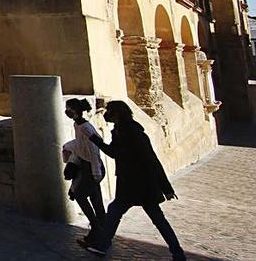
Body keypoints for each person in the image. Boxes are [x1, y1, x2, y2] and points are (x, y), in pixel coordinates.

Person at [84, 100, 185, 260]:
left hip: (140, 184)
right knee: (120, 212)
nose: (106, 114)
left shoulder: (134, 133)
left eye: (109, 111)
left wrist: (166, 188)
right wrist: (97, 141)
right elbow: (115, 152)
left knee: (153, 219)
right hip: (130, 183)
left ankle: (177, 253)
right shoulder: (120, 131)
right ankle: (102, 245)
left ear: (117, 114)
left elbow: (151, 159)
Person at [62, 98, 105, 245]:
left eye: (69, 109)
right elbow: (80, 144)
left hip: (92, 167)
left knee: (80, 195)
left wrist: (96, 172)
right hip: (88, 166)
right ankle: (102, 229)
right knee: (95, 198)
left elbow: (93, 150)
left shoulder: (85, 128)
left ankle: (96, 227)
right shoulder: (78, 125)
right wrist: (68, 146)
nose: (67, 111)